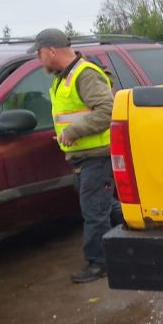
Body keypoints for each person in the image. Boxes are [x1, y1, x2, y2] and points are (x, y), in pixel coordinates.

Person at [28, 28, 122, 283]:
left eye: (39, 54)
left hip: (97, 157)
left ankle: (99, 263)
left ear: (51, 51)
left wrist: (74, 131)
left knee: (93, 211)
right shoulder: (63, 77)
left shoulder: (85, 74)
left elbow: (107, 110)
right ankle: (136, 229)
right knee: (103, 205)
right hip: (82, 158)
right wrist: (65, 134)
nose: (38, 60)